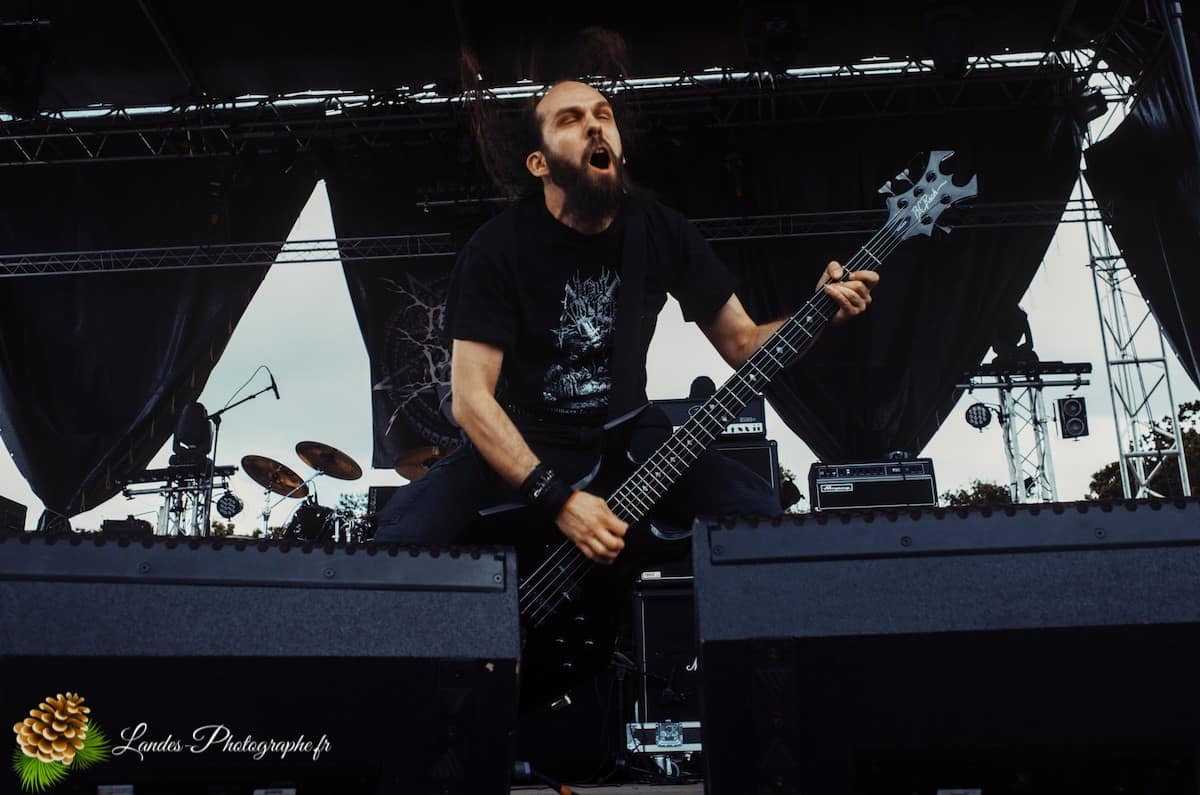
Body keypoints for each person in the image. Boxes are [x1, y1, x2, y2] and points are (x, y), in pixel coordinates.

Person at [374, 80, 878, 562]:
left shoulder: (660, 231)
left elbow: (744, 344)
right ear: (538, 162)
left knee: (754, 516)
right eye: (571, 120)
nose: (595, 126)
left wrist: (817, 313)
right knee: (404, 536)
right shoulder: (496, 249)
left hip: (630, 434)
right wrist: (560, 501)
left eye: (604, 116)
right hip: (528, 438)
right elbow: (471, 400)